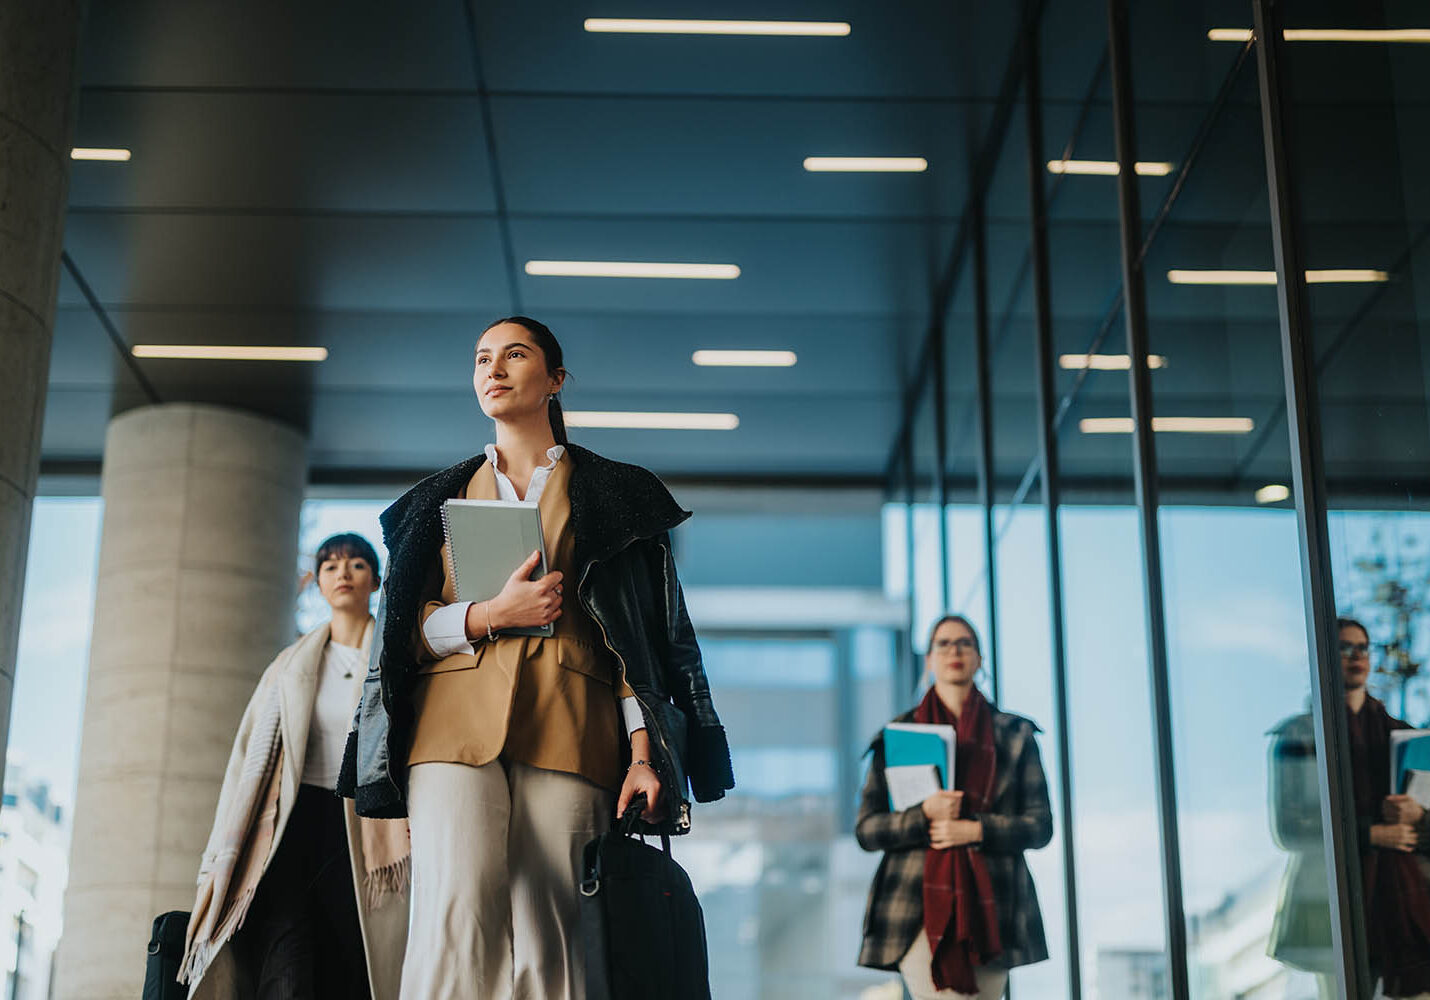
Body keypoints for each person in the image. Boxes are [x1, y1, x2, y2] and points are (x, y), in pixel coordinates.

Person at [336, 315, 734, 999]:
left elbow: (635, 645)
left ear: (554, 380)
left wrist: (643, 754)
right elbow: (401, 639)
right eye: (482, 357)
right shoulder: (436, 501)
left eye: (514, 355)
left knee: (555, 931)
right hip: (450, 729)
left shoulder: (614, 496)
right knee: (454, 924)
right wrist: (491, 614)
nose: (493, 368)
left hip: (574, 725)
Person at [182, 533, 410, 1000]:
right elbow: (246, 760)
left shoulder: (394, 661)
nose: (342, 573)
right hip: (290, 825)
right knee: (286, 965)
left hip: (363, 824)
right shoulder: (288, 667)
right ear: (318, 585)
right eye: (330, 566)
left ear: (376, 579)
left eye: (356, 565)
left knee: (354, 960)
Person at [856, 615, 1051, 1000]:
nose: (954, 651)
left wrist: (976, 829)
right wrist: (923, 816)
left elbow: (1040, 826)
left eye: (964, 643)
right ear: (929, 660)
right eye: (943, 644)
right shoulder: (897, 735)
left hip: (995, 908)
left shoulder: (1015, 735)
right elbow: (867, 830)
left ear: (979, 659)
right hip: (914, 908)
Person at [1269, 616, 1430, 998]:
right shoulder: (1298, 735)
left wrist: (1418, 818)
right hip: (1333, 901)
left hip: (1405, 905)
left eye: (1362, 647)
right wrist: (1370, 832)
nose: (1355, 656)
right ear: (1323, 656)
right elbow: (1289, 828)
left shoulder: (1403, 734)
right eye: (1343, 647)